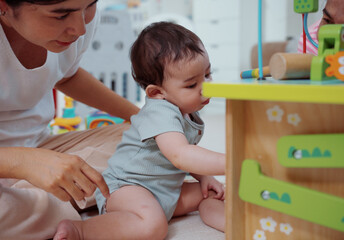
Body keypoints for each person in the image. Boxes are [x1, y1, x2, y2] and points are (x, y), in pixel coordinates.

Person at [54, 21, 226, 240]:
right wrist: (231, 161)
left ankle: (232, 225)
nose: (205, 88)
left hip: (164, 192)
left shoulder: (187, 111)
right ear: (156, 93)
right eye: (192, 85)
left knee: (214, 192)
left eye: (208, 75)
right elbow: (181, 155)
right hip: (127, 188)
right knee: (153, 227)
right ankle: (80, 230)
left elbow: (186, 153)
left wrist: (204, 177)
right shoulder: (160, 112)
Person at [0, 0, 139, 239]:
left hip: (43, 147)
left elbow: (66, 76)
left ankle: (44, 202)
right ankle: (66, 200)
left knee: (153, 140)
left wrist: (144, 119)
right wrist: (22, 162)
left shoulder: (79, 13)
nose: (80, 28)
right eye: (60, 15)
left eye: (90, 6)